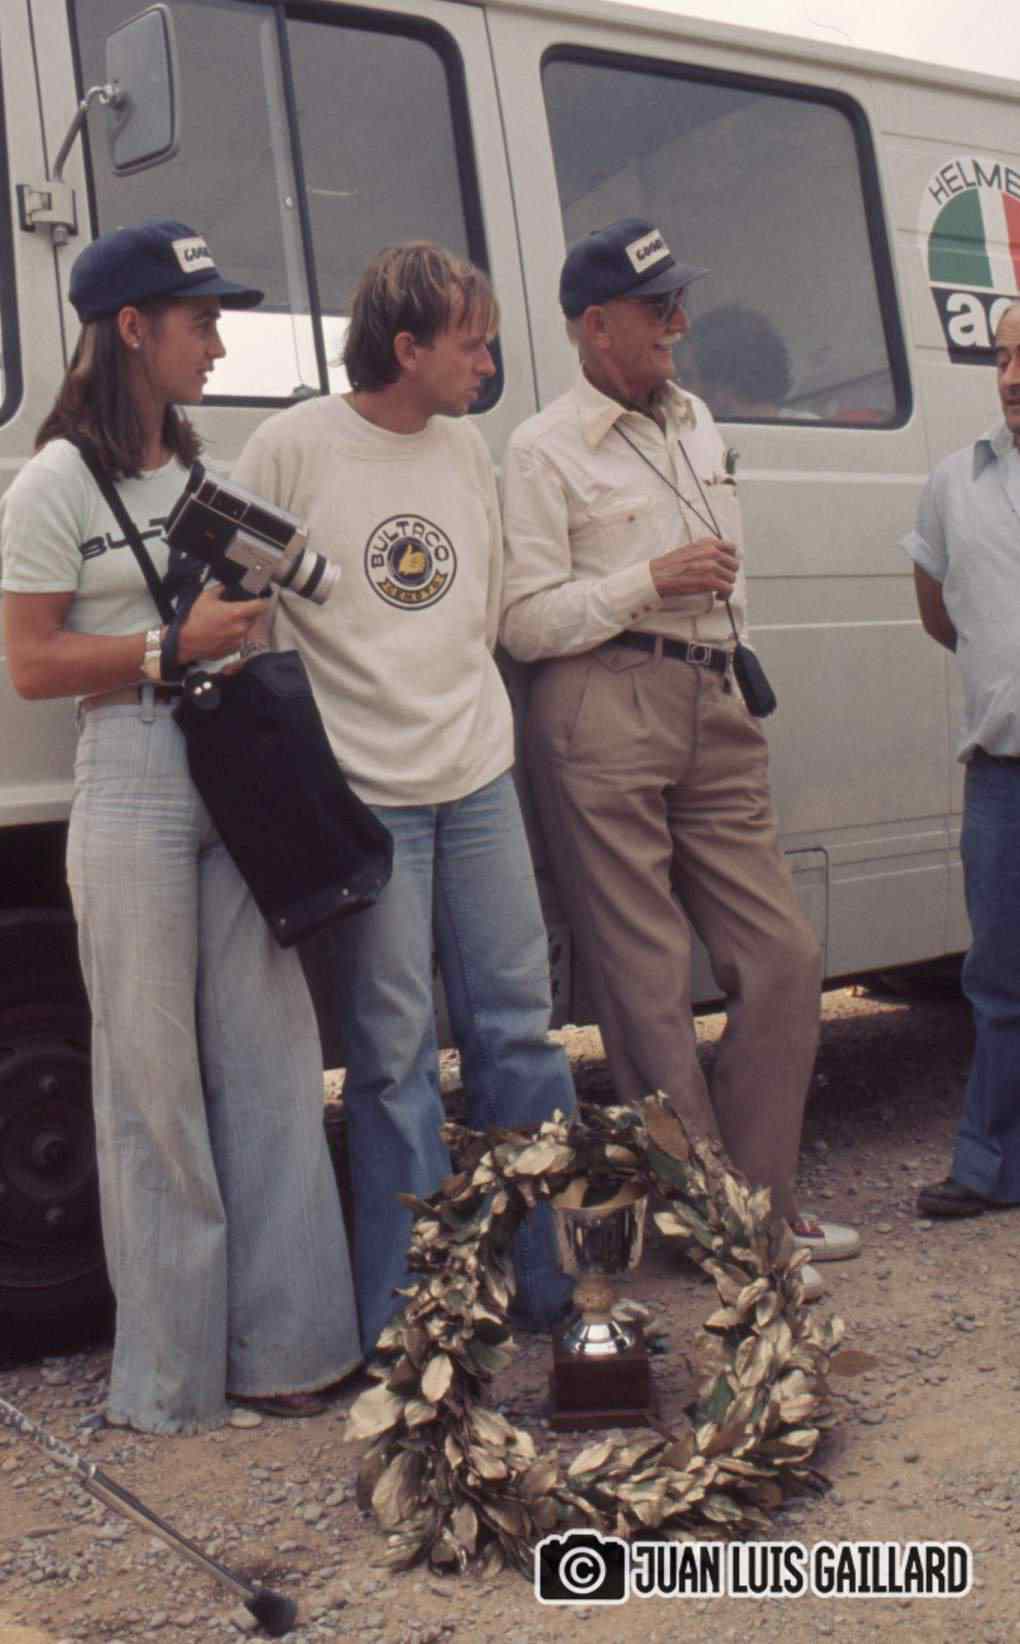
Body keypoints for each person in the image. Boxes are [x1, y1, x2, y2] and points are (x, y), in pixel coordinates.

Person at [0, 220, 360, 1432]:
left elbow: (310, 586)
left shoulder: (205, 480)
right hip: (133, 771)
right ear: (131, 330)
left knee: (270, 1060)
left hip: (234, 768)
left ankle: (294, 1353)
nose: (216, 343)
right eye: (200, 321)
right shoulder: (53, 483)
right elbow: (31, 663)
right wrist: (169, 644)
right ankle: (170, 1385)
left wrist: (252, 601)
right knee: (150, 1081)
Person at [500, 218, 860, 1296]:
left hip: (715, 694)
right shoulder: (541, 448)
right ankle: (718, 1228)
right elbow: (522, 621)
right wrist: (647, 581)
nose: (680, 324)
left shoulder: (695, 418)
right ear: (594, 326)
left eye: (677, 304)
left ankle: (761, 1205)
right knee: (646, 983)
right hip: (601, 700)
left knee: (785, 955)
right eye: (659, 309)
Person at [231, 242, 575, 1353]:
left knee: (522, 1035)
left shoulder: (466, 447)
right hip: (367, 797)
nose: (489, 363)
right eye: (472, 343)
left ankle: (555, 1292)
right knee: (392, 1060)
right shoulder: (290, 448)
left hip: (476, 777)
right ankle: (416, 1320)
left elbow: (483, 607)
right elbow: (239, 608)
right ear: (407, 346)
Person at [906, 301, 1020, 1219]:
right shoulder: (954, 482)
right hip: (1003, 775)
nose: (1011, 377)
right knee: (997, 980)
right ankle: (990, 1169)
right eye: (1003, 357)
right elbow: (939, 612)